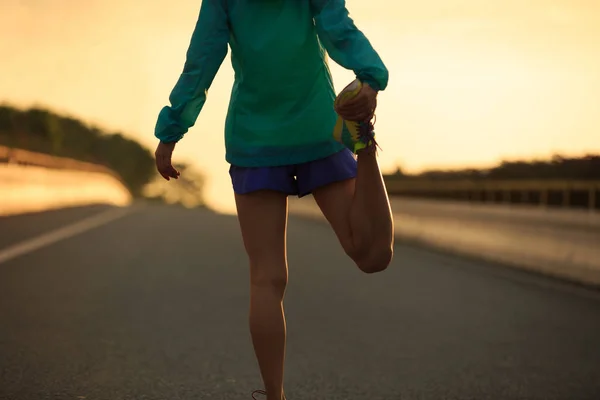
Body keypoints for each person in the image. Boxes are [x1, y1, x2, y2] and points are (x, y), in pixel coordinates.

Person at [153, 1, 394, 399]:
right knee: (373, 255)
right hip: (317, 129)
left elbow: (201, 60)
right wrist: (370, 75)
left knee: (266, 277)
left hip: (255, 138)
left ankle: (274, 396)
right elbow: (338, 27)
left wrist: (172, 128)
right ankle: (363, 142)